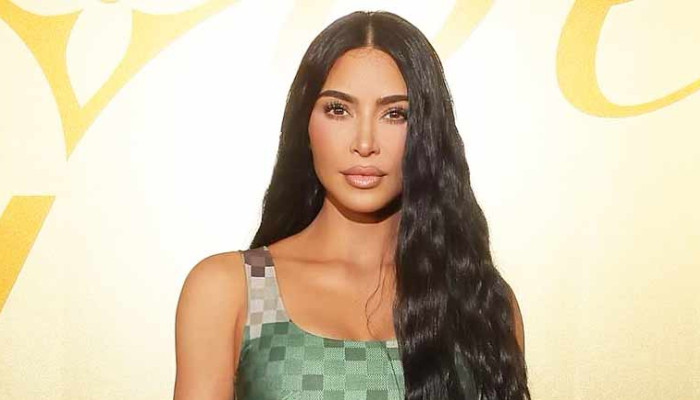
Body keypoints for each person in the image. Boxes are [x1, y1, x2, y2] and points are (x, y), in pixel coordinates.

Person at [173, 10, 529, 400]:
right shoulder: (231, 289)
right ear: (304, 123)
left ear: (428, 132)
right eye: (338, 110)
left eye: (395, 114)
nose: (364, 143)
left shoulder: (480, 302)